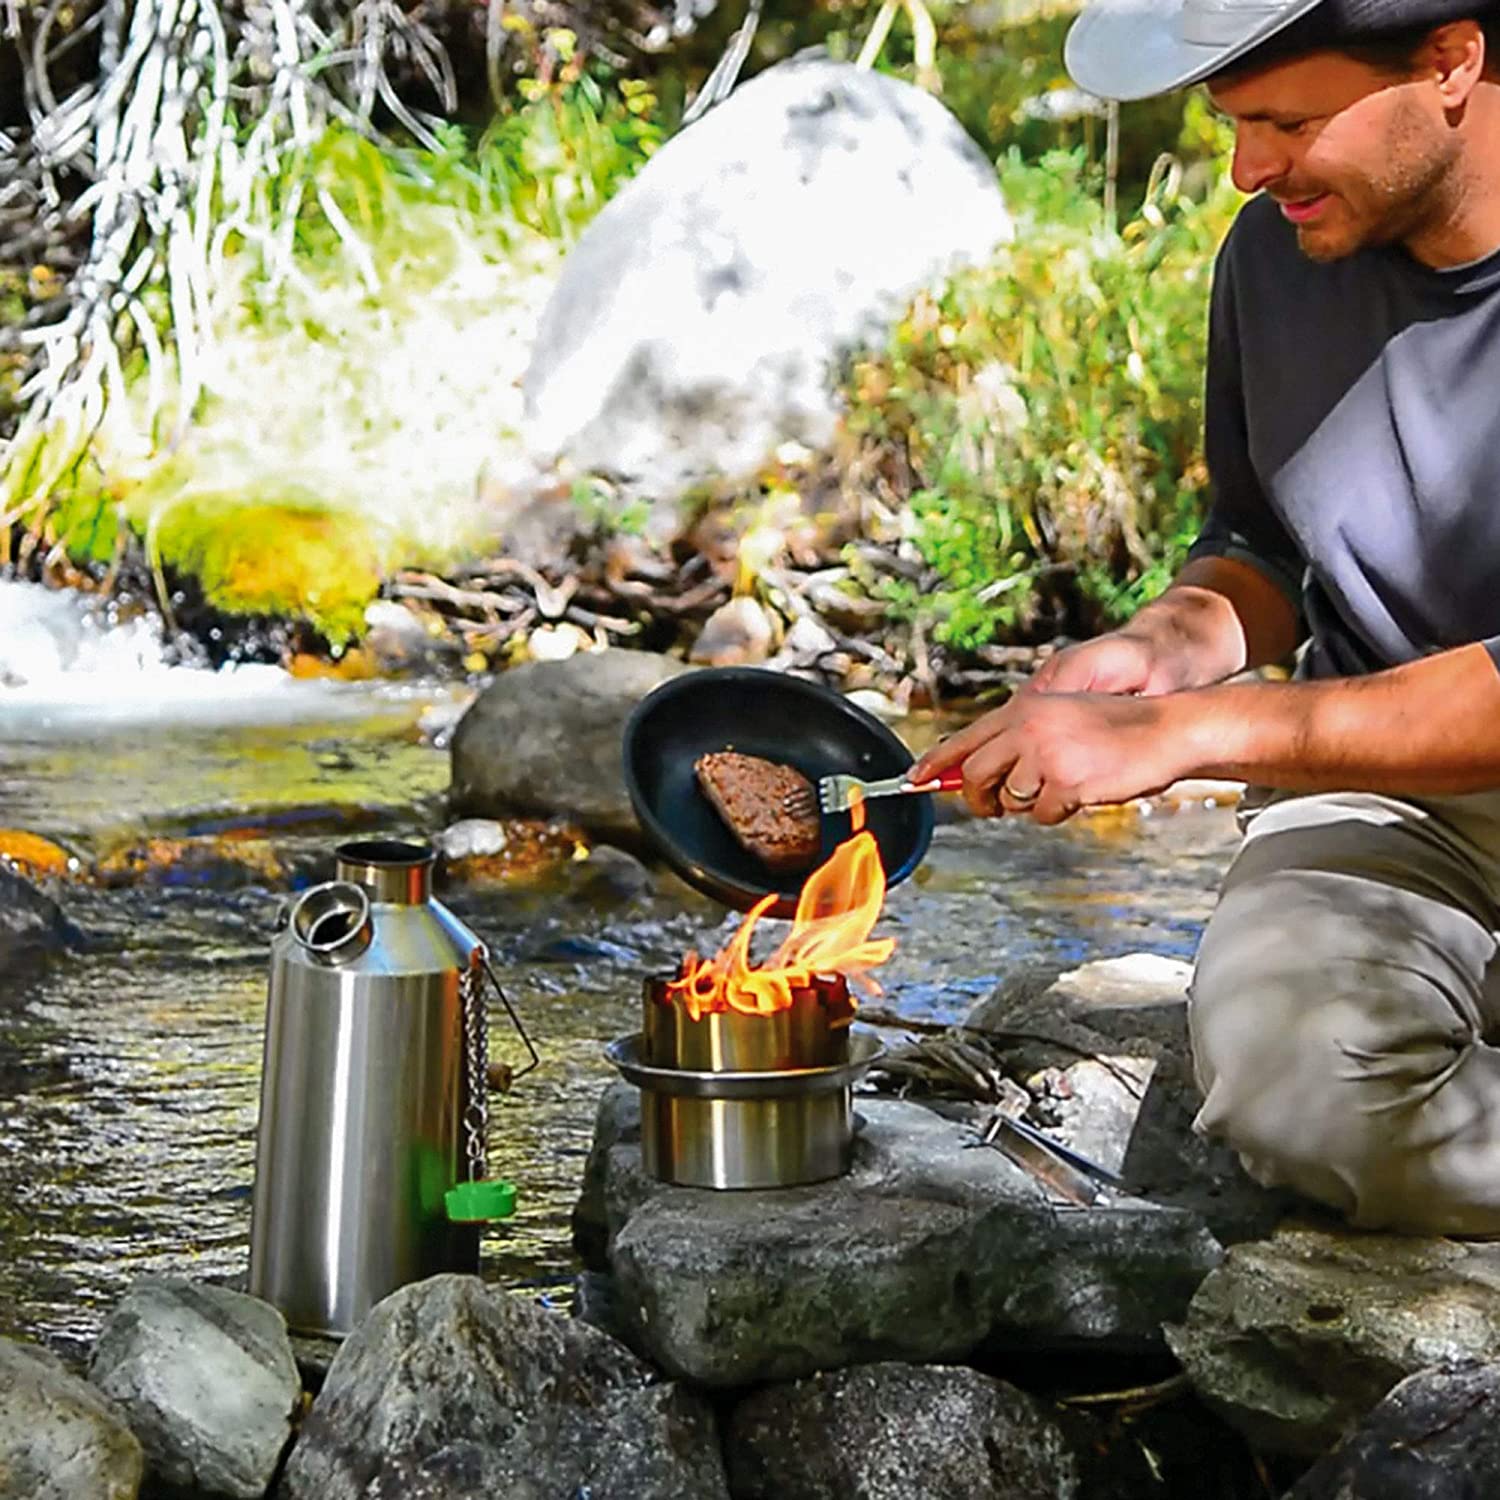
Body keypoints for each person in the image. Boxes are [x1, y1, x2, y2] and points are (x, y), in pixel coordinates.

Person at [909, 0, 1500, 1234]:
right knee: (1306, 1089)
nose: (1249, 169)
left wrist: (1187, 736)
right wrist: (1165, 646)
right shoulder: (1277, 257)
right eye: (1232, 125)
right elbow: (1266, 548)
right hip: (1400, 815)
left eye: (1289, 121)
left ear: (1451, 62)